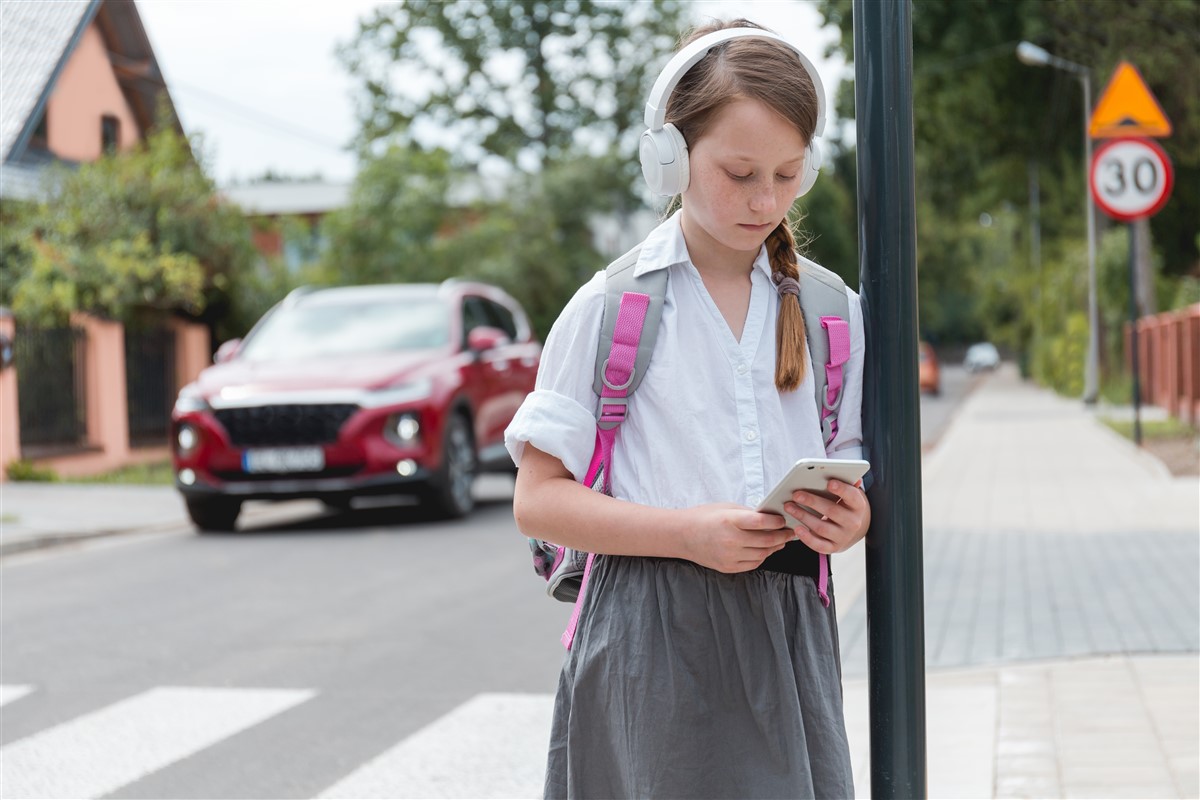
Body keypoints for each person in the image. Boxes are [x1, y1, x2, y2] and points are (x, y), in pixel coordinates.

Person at [504, 18, 869, 799]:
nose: (765, 199)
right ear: (669, 156)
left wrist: (850, 520)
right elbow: (537, 501)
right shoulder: (609, 310)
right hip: (648, 637)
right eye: (738, 173)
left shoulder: (834, 311)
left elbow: (852, 474)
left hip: (787, 632)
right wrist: (685, 534)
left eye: (787, 173)